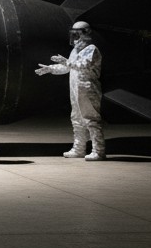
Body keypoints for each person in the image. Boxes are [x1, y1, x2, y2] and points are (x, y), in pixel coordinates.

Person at [35, 20, 105, 161]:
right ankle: (79, 149)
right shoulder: (75, 51)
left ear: (86, 34)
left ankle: (98, 151)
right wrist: (50, 69)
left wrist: (65, 61)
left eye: (77, 34)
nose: (75, 38)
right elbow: (68, 67)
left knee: (90, 119)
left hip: (88, 89)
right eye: (73, 34)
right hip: (75, 89)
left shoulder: (91, 49)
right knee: (77, 119)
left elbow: (83, 65)